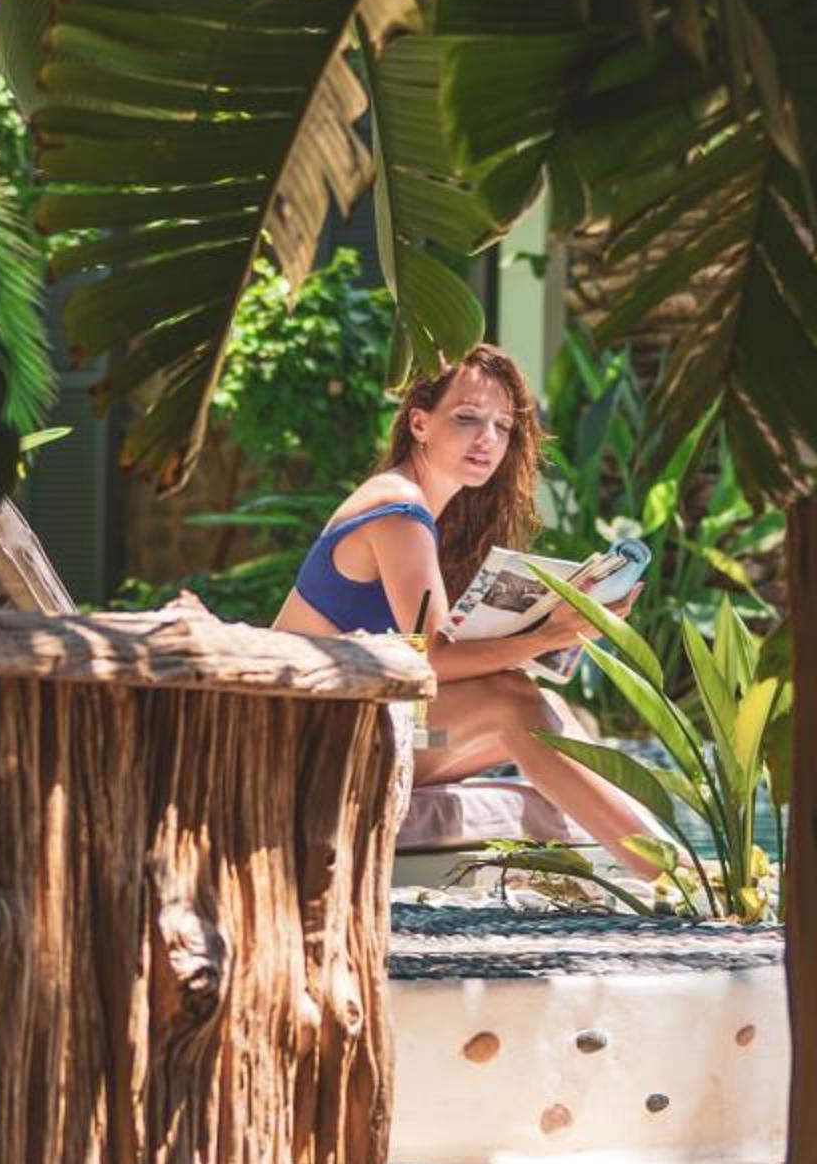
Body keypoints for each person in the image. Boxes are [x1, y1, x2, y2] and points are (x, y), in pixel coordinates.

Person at [271, 343, 666, 874]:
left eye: (503, 426)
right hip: (304, 749)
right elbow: (431, 660)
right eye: (467, 418)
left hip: (364, 732)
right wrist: (550, 635)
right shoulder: (398, 510)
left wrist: (544, 635)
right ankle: (668, 875)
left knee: (546, 708)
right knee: (511, 701)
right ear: (420, 423)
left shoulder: (423, 511)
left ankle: (663, 859)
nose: (487, 439)